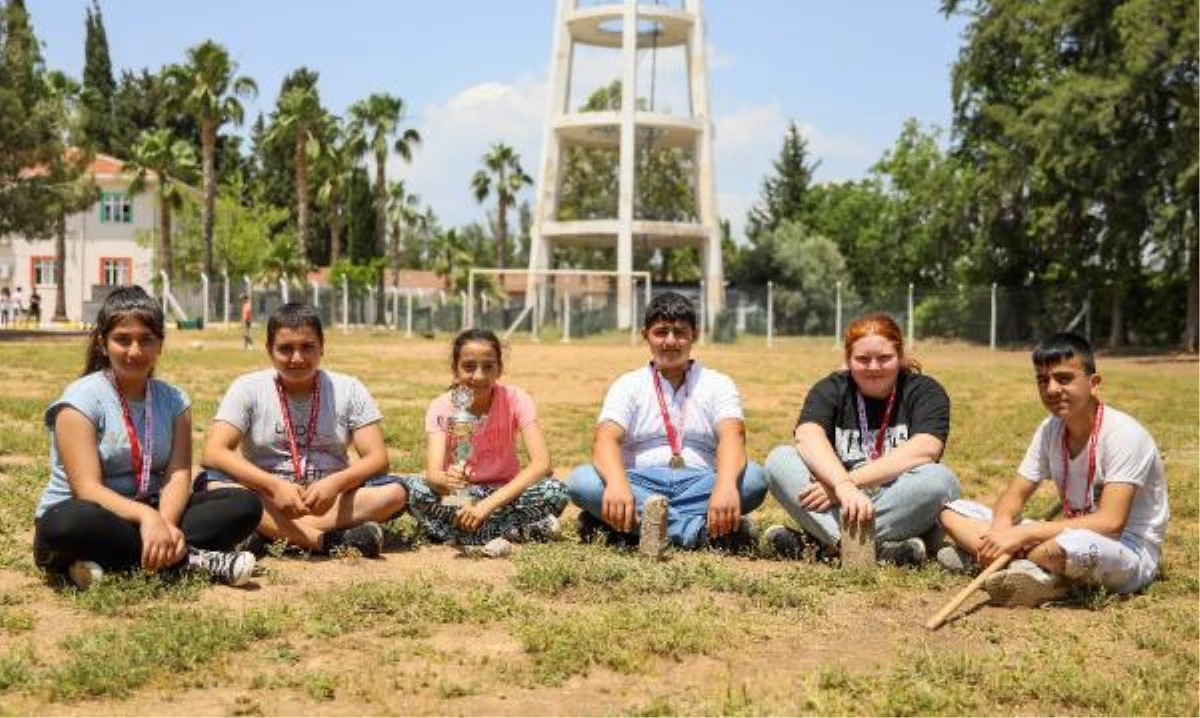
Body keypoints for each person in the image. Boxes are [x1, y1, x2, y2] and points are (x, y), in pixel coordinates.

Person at [32, 286, 261, 590]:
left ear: (160, 345)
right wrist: (145, 518)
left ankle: (116, 562)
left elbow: (178, 475)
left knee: (244, 504)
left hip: (153, 513)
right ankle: (192, 561)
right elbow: (86, 488)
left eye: (146, 340)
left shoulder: (175, 401)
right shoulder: (80, 401)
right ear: (103, 343)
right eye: (122, 340)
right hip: (90, 515)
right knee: (65, 523)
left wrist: (163, 522)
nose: (135, 351)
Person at [937, 332, 1169, 606]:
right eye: (1043, 380)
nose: (1051, 390)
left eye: (1064, 378)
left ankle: (1020, 567)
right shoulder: (1051, 429)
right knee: (951, 513)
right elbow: (1014, 496)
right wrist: (1000, 532)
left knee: (1070, 549)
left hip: (1124, 550)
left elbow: (1110, 523)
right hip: (1058, 536)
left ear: (1093, 383)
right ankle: (1032, 570)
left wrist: (1022, 535)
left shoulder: (1124, 434)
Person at [199, 302, 407, 558]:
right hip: (266, 496)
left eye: (307, 347)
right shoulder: (248, 388)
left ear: (322, 348)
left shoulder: (349, 388)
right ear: (269, 350)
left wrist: (335, 483)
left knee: (395, 493)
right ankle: (324, 541)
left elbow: (377, 458)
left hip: (331, 500)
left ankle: (268, 530)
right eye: (285, 349)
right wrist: (273, 486)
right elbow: (213, 452)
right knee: (213, 485)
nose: (297, 358)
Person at [567, 291, 767, 551]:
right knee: (582, 482)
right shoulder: (628, 385)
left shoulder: (717, 383)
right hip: (638, 483)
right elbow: (605, 439)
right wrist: (617, 483)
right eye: (661, 332)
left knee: (753, 479)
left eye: (680, 332)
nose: (670, 341)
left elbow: (732, 436)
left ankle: (626, 529)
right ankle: (697, 534)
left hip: (701, 482)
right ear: (645, 335)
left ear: (695, 334)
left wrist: (726, 485)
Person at [763, 312, 960, 565]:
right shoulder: (832, 388)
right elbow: (807, 436)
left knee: (940, 481)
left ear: (900, 357)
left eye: (885, 358)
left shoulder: (924, 390)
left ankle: (825, 546)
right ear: (848, 360)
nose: (874, 367)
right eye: (863, 359)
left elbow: (926, 449)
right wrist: (842, 487)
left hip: (894, 498)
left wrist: (846, 485)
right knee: (779, 460)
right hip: (840, 502)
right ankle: (876, 550)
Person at [399, 329, 567, 557]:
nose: (478, 376)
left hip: (505, 493)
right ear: (454, 369)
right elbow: (433, 474)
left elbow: (542, 464)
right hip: (461, 496)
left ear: (499, 369)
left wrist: (486, 506)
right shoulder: (442, 406)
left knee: (555, 491)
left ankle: (468, 533)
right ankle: (517, 530)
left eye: (488, 366)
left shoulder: (515, 399)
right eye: (469, 366)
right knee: (415, 491)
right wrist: (452, 485)